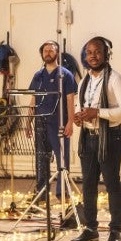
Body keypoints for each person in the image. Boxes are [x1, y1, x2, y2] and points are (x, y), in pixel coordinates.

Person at [70, 37, 121, 241]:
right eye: (89, 52)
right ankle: (90, 228)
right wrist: (79, 117)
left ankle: (115, 230)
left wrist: (97, 113)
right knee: (88, 185)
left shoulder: (116, 79)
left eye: (97, 52)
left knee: (112, 185)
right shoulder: (83, 81)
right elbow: (81, 107)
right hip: (88, 138)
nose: (93, 56)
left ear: (107, 54)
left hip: (110, 139)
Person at [26, 41, 77, 228]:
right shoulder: (38, 76)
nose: (48, 53)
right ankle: (41, 192)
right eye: (45, 50)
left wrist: (71, 121)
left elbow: (71, 100)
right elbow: (33, 98)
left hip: (59, 123)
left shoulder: (66, 75)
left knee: (62, 158)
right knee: (41, 159)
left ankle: (61, 193)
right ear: (42, 53)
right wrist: (28, 121)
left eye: (51, 50)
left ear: (57, 53)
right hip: (41, 122)